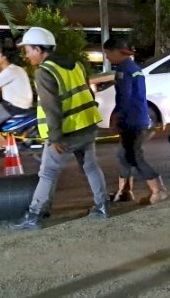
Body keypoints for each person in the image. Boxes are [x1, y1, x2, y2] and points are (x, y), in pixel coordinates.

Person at [11, 27, 109, 230]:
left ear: (39, 49)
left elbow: (51, 107)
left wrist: (55, 138)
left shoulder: (44, 72)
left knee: (47, 173)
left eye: (28, 50)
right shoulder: (76, 65)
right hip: (87, 126)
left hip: (65, 133)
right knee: (91, 167)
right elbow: (86, 94)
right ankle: (103, 206)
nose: (27, 55)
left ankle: (34, 215)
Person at [104, 38, 168, 204]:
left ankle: (158, 190)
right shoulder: (135, 69)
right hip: (139, 117)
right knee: (124, 154)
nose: (107, 57)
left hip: (130, 121)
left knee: (134, 156)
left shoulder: (123, 71)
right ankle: (125, 192)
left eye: (107, 53)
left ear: (117, 51)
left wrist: (116, 118)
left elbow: (124, 98)